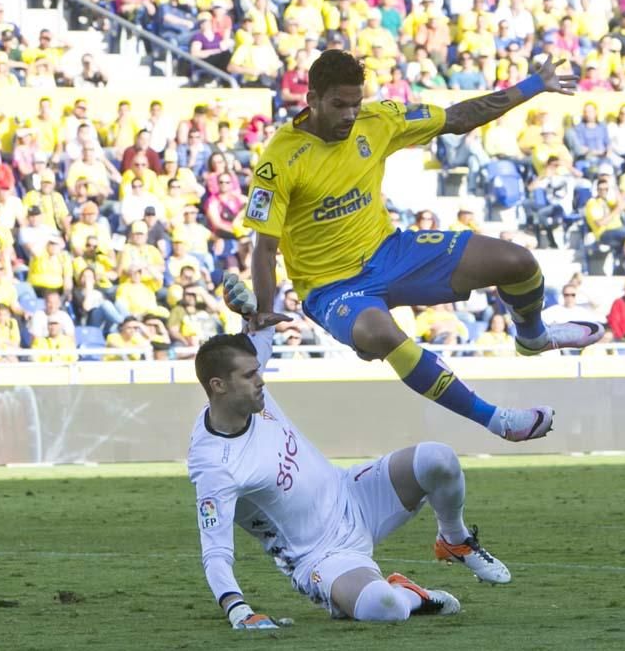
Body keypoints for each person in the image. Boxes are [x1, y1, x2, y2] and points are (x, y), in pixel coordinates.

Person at [242, 50, 602, 442]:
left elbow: (458, 118)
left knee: (516, 261)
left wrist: (534, 85)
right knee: (381, 333)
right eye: (338, 105)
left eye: (355, 103)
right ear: (311, 99)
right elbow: (264, 248)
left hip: (391, 252)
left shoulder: (377, 121)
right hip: (331, 287)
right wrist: (264, 311)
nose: (349, 114)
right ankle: (497, 420)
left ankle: (532, 336)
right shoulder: (279, 161)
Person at [189, 275, 510, 629]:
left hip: (352, 493)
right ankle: (409, 594)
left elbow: (257, 330)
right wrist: (239, 611)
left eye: (257, 371)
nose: (261, 379)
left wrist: (248, 308)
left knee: (439, 459)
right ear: (218, 386)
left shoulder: (249, 392)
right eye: (250, 376)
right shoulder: (215, 466)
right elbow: (216, 552)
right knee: (385, 606)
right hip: (321, 557)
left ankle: (454, 540)